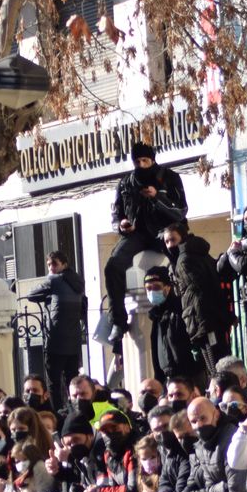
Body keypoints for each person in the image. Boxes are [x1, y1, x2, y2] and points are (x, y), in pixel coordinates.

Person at [105, 141, 188, 347]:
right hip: (137, 235)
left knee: (182, 265)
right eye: (138, 161)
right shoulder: (125, 183)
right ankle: (118, 321)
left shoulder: (169, 178)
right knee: (113, 266)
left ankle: (186, 310)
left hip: (164, 232)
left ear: (152, 160)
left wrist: (157, 197)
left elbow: (181, 211)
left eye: (145, 160)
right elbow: (116, 215)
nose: (142, 165)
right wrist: (121, 225)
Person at [165, 221, 230, 377]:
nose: (169, 245)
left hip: (203, 321)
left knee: (214, 365)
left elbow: (196, 293)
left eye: (172, 240)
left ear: (183, 237)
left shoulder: (184, 260)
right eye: (166, 241)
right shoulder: (199, 253)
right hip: (212, 317)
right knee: (217, 361)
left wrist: (200, 325)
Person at [22, 251, 86, 405]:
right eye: (49, 264)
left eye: (54, 264)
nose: (51, 267)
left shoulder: (54, 281)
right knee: (72, 380)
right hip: (74, 341)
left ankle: (58, 413)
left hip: (56, 341)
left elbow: (31, 295)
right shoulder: (78, 281)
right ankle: (75, 407)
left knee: (53, 383)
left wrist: (48, 290)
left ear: (64, 264)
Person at [142, 266, 202, 385]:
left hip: (189, 378)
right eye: (148, 288)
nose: (152, 292)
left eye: (156, 287)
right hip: (168, 380)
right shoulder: (156, 316)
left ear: (168, 287)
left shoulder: (180, 310)